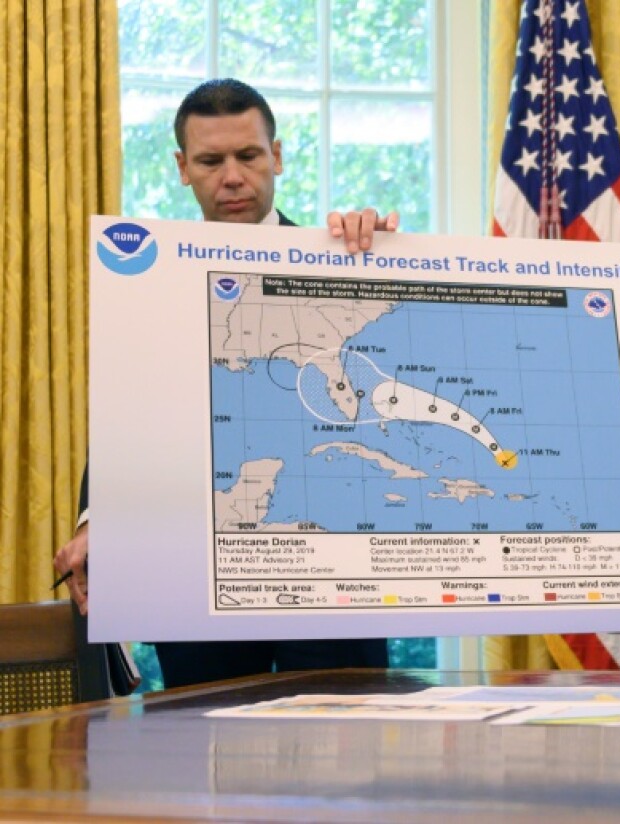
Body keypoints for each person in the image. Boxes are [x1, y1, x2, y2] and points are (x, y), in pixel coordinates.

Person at [54, 78, 396, 688]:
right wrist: (93, 519)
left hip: (334, 571)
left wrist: (394, 260)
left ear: (279, 158)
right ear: (184, 168)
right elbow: (129, 416)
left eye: (249, 156)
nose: (232, 176)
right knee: (204, 755)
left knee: (346, 761)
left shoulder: (353, 259)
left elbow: (398, 368)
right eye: (211, 161)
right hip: (199, 574)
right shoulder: (148, 281)